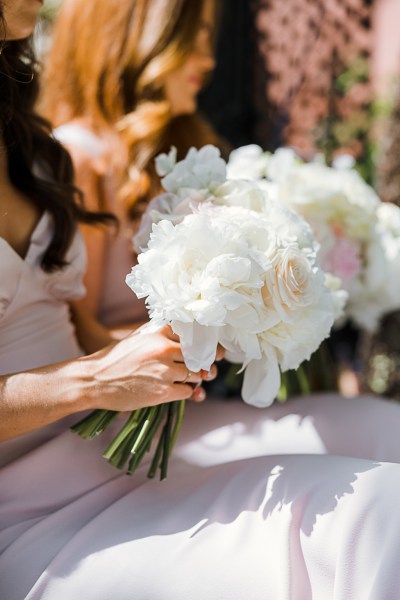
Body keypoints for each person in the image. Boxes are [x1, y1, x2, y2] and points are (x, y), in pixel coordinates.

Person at [3, 3, 400, 600]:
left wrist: (227, 320)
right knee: (366, 513)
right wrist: (92, 380)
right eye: (197, 40)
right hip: (25, 514)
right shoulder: (81, 147)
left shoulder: (28, 147)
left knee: (381, 481)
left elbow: (74, 321)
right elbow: (90, 362)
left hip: (103, 455)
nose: (210, 61)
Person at [41, 0, 227, 333]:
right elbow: (75, 334)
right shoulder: (79, 158)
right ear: (144, 40)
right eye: (193, 39)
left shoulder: (176, 147)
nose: (210, 61)